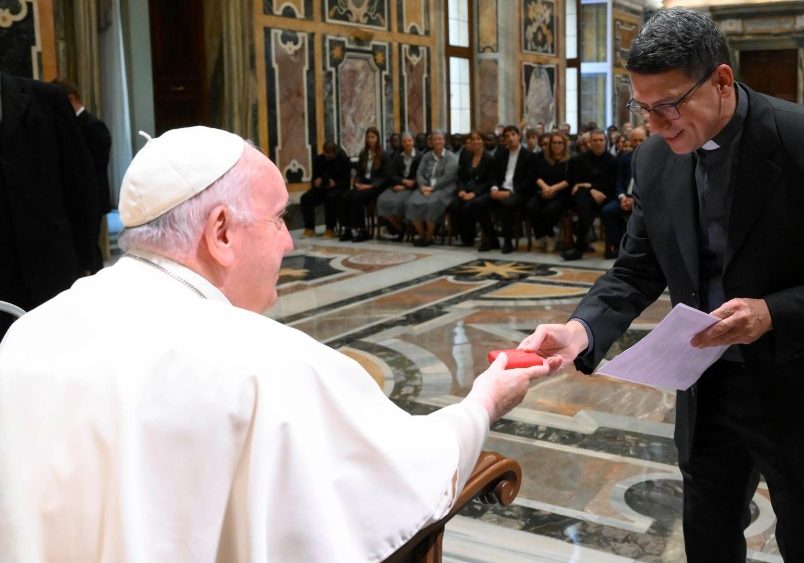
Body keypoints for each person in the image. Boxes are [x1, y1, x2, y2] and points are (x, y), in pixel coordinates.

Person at [0, 126, 561, 562]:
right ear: (220, 232)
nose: (290, 242)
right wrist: (485, 401)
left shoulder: (31, 332)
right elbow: (402, 474)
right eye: (276, 219)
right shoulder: (263, 361)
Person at [519, 9, 804, 562]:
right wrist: (582, 330)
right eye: (643, 108)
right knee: (707, 538)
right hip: (707, 391)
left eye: (668, 107)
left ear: (722, 81)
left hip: (802, 389)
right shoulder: (655, 159)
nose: (655, 125)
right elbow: (636, 269)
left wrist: (772, 312)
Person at [0, 71, 100, 340]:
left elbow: (81, 184)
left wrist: (85, 259)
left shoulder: (46, 100)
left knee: (62, 354)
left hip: (52, 266)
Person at [54, 78, 112, 273]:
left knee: (90, 246)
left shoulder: (92, 125)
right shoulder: (71, 126)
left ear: (71, 99)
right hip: (79, 198)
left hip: (91, 198)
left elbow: (98, 164)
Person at [474, 125, 536, 253]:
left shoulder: (529, 156)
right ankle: (492, 239)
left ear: (519, 136)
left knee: (507, 205)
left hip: (519, 192)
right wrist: (494, 189)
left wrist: (510, 192)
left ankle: (508, 242)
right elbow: (493, 175)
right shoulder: (500, 154)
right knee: (478, 203)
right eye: (507, 136)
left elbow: (529, 181)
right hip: (501, 189)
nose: (511, 138)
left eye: (513, 135)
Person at [561, 129, 617, 261]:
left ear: (605, 141)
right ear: (590, 142)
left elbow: (611, 185)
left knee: (584, 199)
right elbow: (575, 181)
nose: (598, 143)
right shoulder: (580, 159)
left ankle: (579, 247)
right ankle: (581, 245)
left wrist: (590, 187)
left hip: (605, 197)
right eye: (595, 140)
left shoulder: (613, 161)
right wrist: (591, 189)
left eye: (601, 140)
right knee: (582, 199)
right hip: (585, 199)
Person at [405, 130, 458, 247]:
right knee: (411, 203)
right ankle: (422, 234)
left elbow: (447, 178)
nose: (437, 141)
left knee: (432, 203)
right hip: (425, 187)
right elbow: (419, 173)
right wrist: (423, 186)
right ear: (431, 142)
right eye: (435, 139)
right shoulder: (426, 156)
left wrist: (432, 188)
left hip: (444, 188)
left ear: (444, 141)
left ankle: (429, 236)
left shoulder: (451, 158)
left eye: (440, 139)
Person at [602, 126, 648, 259]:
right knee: (607, 211)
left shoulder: (654, 159)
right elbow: (618, 181)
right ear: (630, 141)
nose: (638, 144)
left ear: (647, 140)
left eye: (641, 140)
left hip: (642, 200)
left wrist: (635, 200)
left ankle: (637, 249)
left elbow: (652, 186)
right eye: (635, 140)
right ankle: (619, 246)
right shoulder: (624, 158)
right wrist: (622, 197)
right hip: (624, 197)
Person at [525, 131, 573, 253]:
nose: (557, 145)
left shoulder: (571, 159)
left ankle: (551, 234)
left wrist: (553, 189)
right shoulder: (541, 157)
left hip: (562, 193)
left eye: (560, 143)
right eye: (554, 143)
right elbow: (536, 175)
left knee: (549, 210)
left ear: (564, 144)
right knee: (531, 207)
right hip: (543, 191)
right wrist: (546, 188)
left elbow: (570, 179)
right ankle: (542, 235)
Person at [343, 127, 389, 242]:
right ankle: (348, 228)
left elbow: (385, 177)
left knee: (357, 198)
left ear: (377, 138)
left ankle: (362, 230)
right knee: (345, 197)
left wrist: (370, 186)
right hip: (364, 183)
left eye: (373, 137)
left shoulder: (383, 154)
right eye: (368, 137)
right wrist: (357, 182)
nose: (370, 140)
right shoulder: (363, 154)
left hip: (376, 186)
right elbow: (359, 172)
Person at [448, 130, 493, 246]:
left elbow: (488, 182)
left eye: (478, 139)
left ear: (483, 141)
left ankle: (470, 237)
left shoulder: (488, 159)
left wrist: (474, 194)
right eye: (473, 139)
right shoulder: (466, 156)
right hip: (465, 190)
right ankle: (462, 236)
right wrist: (461, 190)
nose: (475, 142)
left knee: (468, 206)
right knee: (454, 204)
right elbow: (461, 177)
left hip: (480, 192)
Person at [300, 140, 352, 238]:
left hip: (338, 189)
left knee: (330, 198)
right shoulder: (319, 160)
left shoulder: (343, 160)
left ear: (335, 152)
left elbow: (346, 181)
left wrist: (335, 183)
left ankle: (330, 228)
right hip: (322, 189)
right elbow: (314, 178)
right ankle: (309, 227)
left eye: (329, 154)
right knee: (306, 198)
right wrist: (316, 181)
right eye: (325, 153)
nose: (327, 156)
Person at [377, 132, 423, 241]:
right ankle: (400, 228)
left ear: (413, 142)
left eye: (410, 141)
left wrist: (407, 186)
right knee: (381, 200)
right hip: (397, 186)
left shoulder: (420, 156)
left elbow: (420, 176)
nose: (407, 143)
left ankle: (405, 229)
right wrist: (402, 181)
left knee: (397, 203)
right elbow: (391, 175)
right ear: (402, 143)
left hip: (412, 188)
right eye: (405, 141)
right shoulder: (397, 156)